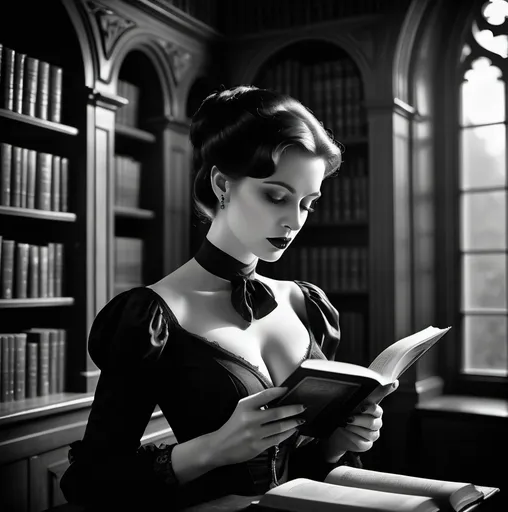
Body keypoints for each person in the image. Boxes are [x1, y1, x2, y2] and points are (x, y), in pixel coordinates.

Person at [60, 85, 397, 511]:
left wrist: (337, 443)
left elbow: (302, 468)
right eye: (276, 195)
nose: (293, 221)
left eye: (307, 204)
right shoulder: (151, 316)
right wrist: (215, 448)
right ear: (222, 183)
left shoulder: (306, 305)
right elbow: (91, 482)